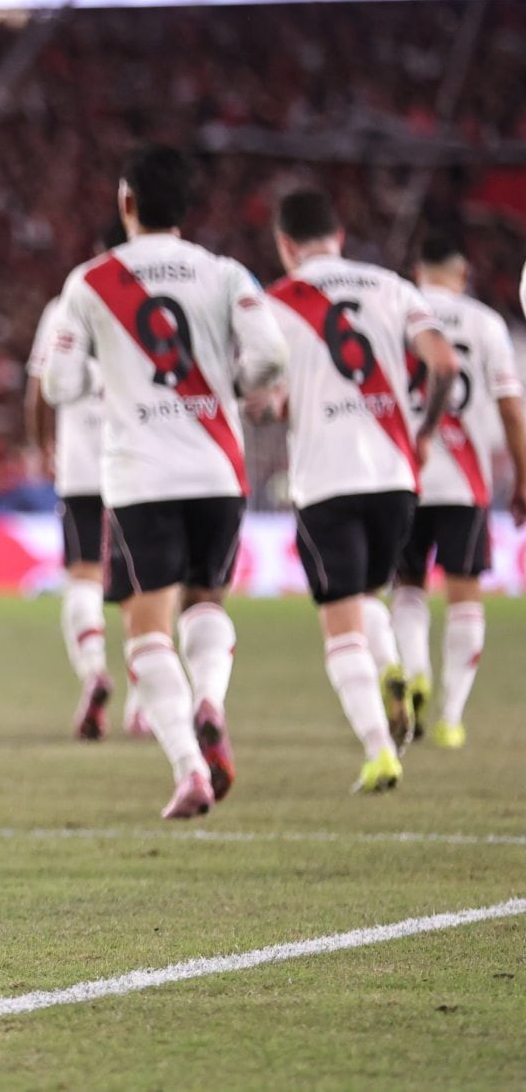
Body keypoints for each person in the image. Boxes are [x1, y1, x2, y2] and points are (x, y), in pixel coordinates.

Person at [43, 146, 288, 819]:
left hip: (141, 474)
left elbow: (59, 382)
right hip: (218, 467)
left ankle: (189, 769)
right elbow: (271, 355)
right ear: (187, 207)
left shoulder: (91, 282)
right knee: (207, 601)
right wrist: (233, 386)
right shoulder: (225, 272)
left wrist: (107, 380)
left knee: (147, 626)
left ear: (127, 202)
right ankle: (210, 697)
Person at [265, 190, 457, 793]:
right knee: (369, 594)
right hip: (395, 478)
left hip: (327, 479)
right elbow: (444, 364)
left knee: (340, 618)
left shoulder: (276, 302)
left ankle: (379, 751)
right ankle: (391, 665)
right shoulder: (393, 287)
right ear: (339, 235)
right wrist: (424, 433)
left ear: (286, 244)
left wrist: (279, 405)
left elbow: (265, 394)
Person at [390, 233, 526, 750]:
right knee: (465, 594)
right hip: (465, 483)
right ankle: (450, 717)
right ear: (463, 273)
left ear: (417, 271)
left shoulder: (398, 313)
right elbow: (510, 408)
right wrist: (523, 476)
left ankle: (416, 670)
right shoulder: (485, 323)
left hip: (405, 474)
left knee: (407, 585)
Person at [25, 223, 141, 741]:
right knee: (145, 585)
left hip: (80, 464)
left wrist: (42, 445)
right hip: (141, 463)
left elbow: (39, 388)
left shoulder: (65, 304)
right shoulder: (147, 305)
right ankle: (144, 704)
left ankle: (94, 671)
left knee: (84, 574)